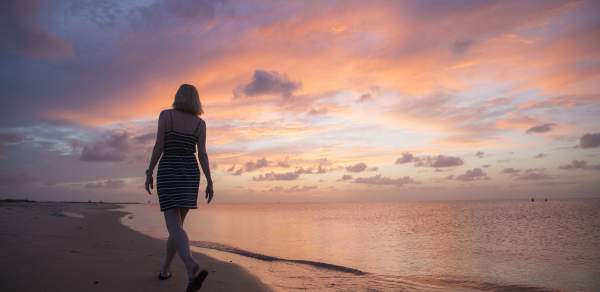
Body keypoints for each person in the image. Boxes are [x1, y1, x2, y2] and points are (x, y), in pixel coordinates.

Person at [145, 84, 214, 292]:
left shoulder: (166, 116)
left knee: (174, 227)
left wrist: (149, 171)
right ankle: (165, 269)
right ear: (196, 100)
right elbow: (202, 154)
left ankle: (191, 265)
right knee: (178, 227)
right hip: (189, 174)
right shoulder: (200, 124)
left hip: (169, 171)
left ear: (177, 97)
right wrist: (210, 181)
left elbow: (159, 145)